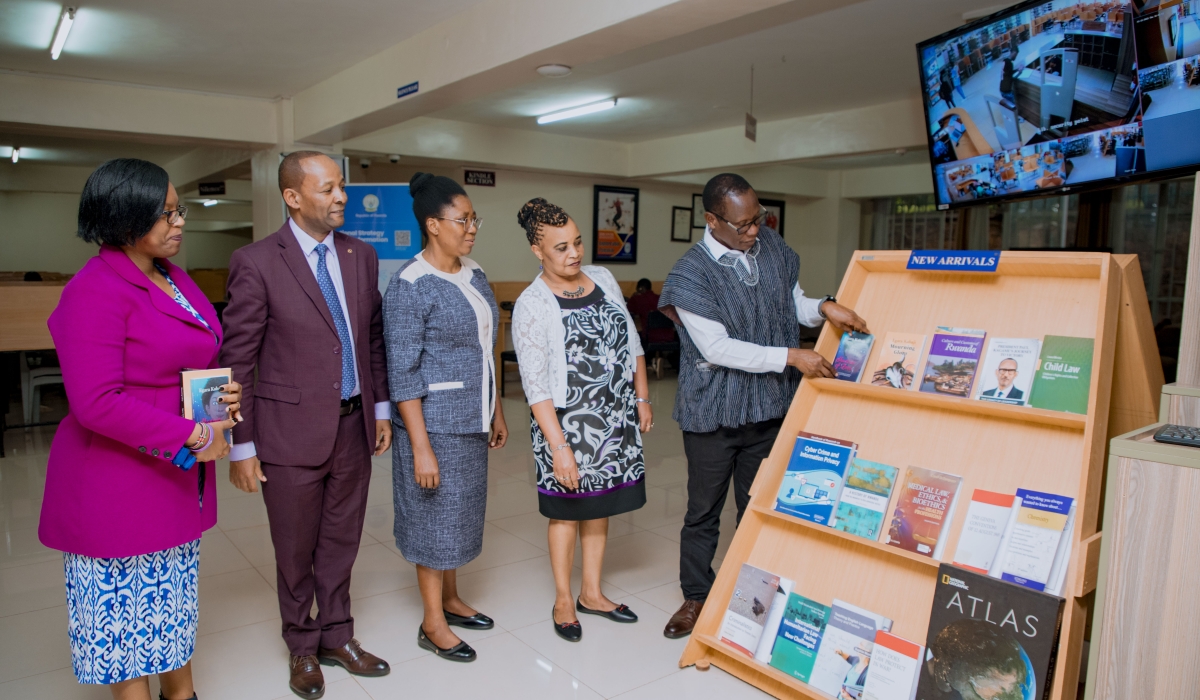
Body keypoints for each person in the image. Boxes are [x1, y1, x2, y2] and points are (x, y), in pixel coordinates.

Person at [39, 158, 241, 700]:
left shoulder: (171, 276)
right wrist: (193, 434)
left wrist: (218, 399)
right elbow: (96, 402)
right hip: (115, 479)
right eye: (165, 213)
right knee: (122, 620)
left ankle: (181, 692)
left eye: (180, 210)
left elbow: (191, 359)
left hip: (169, 471)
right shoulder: (95, 290)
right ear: (123, 217)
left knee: (170, 603)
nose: (179, 223)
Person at [657, 173, 869, 639]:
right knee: (703, 512)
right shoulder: (689, 274)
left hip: (769, 408)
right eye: (743, 225)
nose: (754, 231)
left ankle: (756, 594)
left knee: (760, 506)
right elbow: (718, 349)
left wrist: (824, 307)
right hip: (713, 413)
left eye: (759, 219)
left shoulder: (769, 246)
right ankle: (695, 596)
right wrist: (793, 356)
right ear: (712, 220)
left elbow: (788, 302)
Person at [221, 151, 392, 699]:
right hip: (287, 432)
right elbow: (238, 360)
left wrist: (380, 409)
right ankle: (301, 644)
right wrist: (240, 444)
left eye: (342, 187)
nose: (340, 197)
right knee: (295, 547)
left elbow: (371, 339)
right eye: (327, 189)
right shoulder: (256, 261)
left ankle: (337, 635)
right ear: (293, 197)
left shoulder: (361, 256)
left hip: (353, 427)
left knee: (341, 541)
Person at [512, 198, 651, 642]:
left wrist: (642, 397)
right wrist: (559, 447)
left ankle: (592, 592)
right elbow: (536, 386)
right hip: (567, 424)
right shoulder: (532, 304)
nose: (573, 254)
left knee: (601, 504)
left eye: (577, 243)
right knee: (566, 510)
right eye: (560, 248)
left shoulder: (605, 279)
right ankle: (563, 598)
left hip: (614, 417)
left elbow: (633, 342)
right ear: (538, 250)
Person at [383, 173, 508, 663]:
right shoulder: (410, 285)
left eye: (474, 218)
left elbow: (486, 346)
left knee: (458, 518)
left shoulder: (474, 272)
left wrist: (495, 407)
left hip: (472, 420)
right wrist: (419, 447)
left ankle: (452, 600)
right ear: (433, 225)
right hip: (433, 424)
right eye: (463, 219)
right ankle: (432, 622)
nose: (472, 227)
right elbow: (403, 373)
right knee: (432, 520)